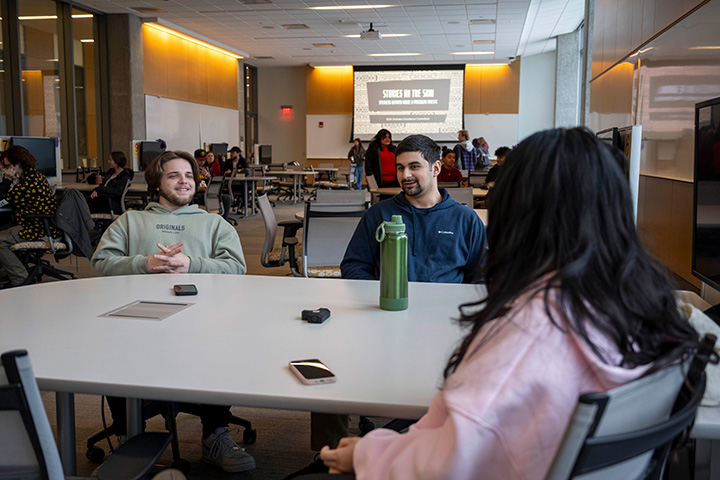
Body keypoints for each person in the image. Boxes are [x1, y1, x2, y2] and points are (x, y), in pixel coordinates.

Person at [319, 128, 700, 479]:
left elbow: (447, 460)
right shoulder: (646, 310)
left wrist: (368, 455)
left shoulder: (528, 331)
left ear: (519, 213)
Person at [91, 150, 254, 473]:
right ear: (156, 184)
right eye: (174, 175)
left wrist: (191, 264)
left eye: (189, 176)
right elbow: (100, 265)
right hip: (137, 319)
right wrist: (145, 263)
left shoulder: (214, 224)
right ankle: (129, 436)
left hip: (203, 319)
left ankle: (215, 434)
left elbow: (237, 268)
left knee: (223, 342)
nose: (184, 181)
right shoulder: (131, 221)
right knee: (111, 345)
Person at [341, 134, 486, 284]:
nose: (405, 175)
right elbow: (354, 266)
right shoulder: (378, 214)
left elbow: (480, 278)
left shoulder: (466, 219)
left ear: (436, 168)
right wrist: (381, 297)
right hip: (389, 304)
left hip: (446, 306)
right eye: (400, 168)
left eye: (414, 166)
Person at [0, 146, 61, 287]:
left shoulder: (27, 182)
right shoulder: (33, 176)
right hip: (39, 225)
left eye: (7, 166)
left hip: (38, 229)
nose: (4, 170)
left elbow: (2, 201)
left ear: (18, 164)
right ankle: (18, 271)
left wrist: (8, 179)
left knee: (0, 241)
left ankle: (20, 278)